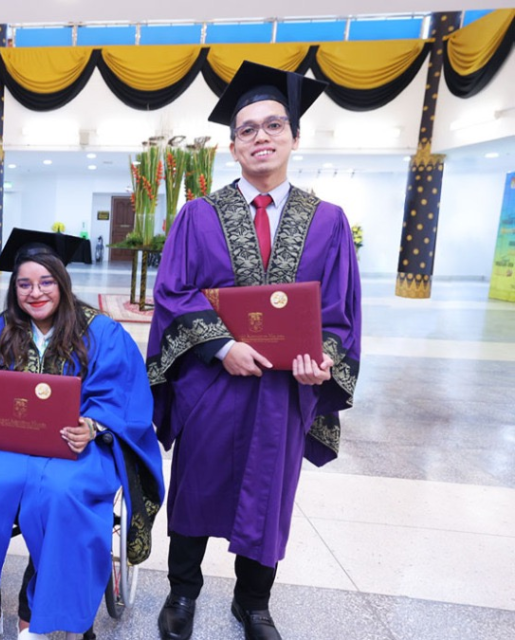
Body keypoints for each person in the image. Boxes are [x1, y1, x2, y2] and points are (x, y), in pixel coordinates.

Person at [147, 61, 361, 640]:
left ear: (294, 136)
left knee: (271, 492)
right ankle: (182, 592)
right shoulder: (197, 216)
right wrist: (220, 347)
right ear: (233, 146)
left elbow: (339, 311)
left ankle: (254, 603)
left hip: (284, 390)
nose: (261, 136)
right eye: (247, 129)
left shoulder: (329, 222)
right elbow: (173, 292)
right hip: (212, 383)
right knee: (195, 484)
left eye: (273, 125)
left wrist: (323, 363)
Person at [0, 230, 164, 640]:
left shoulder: (102, 332)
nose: (35, 292)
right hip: (5, 448)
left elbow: (123, 395)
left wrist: (91, 426)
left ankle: (34, 616)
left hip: (74, 449)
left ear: (62, 282)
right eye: (24, 284)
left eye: (45, 282)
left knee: (60, 492)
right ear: (14, 289)